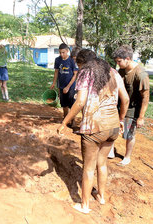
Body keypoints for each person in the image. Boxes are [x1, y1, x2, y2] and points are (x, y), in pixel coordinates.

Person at [57, 49, 129, 214]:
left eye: (78, 64)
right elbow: (125, 99)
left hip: (93, 127)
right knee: (101, 163)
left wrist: (64, 122)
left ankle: (84, 206)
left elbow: (81, 101)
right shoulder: (113, 72)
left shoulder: (85, 73)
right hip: (112, 127)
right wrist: (121, 119)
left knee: (88, 168)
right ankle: (101, 197)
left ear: (82, 63)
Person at [109, 45, 150, 166]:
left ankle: (127, 157)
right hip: (118, 106)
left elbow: (145, 97)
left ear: (127, 58)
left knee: (129, 134)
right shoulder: (121, 70)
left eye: (119, 61)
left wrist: (141, 117)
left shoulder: (141, 74)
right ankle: (110, 151)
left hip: (132, 109)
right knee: (112, 129)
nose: (118, 64)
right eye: (116, 61)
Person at [50, 43, 78, 126]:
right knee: (64, 105)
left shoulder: (72, 61)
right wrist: (54, 83)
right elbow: (56, 72)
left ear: (67, 51)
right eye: (60, 53)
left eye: (63, 52)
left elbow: (75, 74)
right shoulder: (58, 60)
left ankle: (73, 121)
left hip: (71, 87)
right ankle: (65, 120)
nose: (62, 54)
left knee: (72, 105)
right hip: (61, 86)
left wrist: (68, 86)